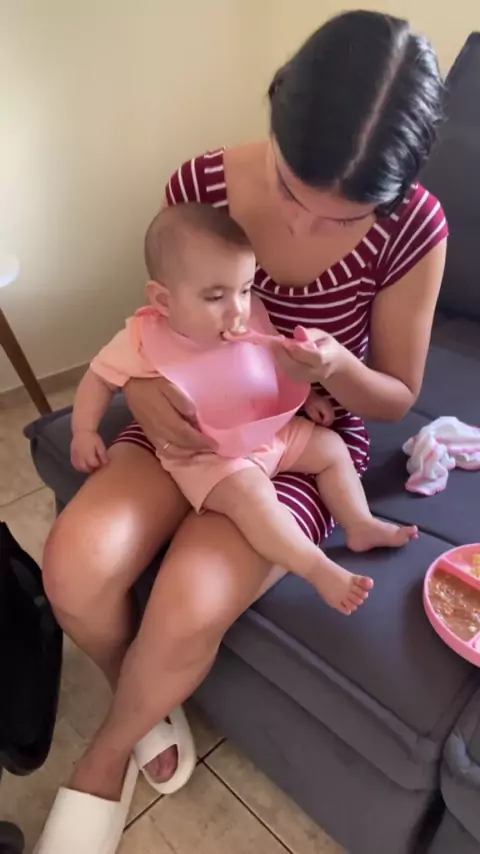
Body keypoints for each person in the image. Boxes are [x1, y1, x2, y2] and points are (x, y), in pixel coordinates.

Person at [38, 9, 448, 852]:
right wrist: (141, 389)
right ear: (275, 110)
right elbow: (156, 324)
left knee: (191, 597)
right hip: (188, 421)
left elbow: (395, 398)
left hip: (299, 438)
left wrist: (336, 368)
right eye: (293, 192)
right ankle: (141, 702)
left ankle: (104, 756)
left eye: (344, 218)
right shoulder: (201, 183)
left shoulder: (414, 228)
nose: (301, 227)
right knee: (74, 564)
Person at [71, 202, 418, 615]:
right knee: (255, 500)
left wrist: (309, 395)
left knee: (331, 449)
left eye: (245, 288)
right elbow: (99, 377)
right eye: (215, 296)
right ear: (163, 299)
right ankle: (317, 568)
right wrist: (84, 431)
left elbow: (272, 361)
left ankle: (359, 523)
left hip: (270, 432)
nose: (237, 309)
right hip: (210, 458)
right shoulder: (141, 338)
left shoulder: (249, 316)